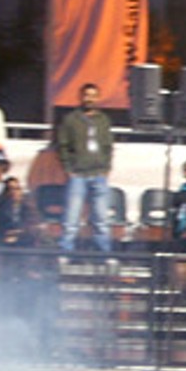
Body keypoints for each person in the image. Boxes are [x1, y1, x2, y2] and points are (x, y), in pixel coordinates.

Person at [55, 82, 115, 254]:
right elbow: (63, 145)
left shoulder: (103, 120)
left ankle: (104, 253)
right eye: (86, 95)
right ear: (81, 97)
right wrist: (68, 169)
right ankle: (65, 252)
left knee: (101, 218)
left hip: (99, 174)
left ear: (98, 98)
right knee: (71, 218)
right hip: (78, 175)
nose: (89, 99)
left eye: (93, 95)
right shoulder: (71, 119)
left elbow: (108, 146)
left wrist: (106, 166)